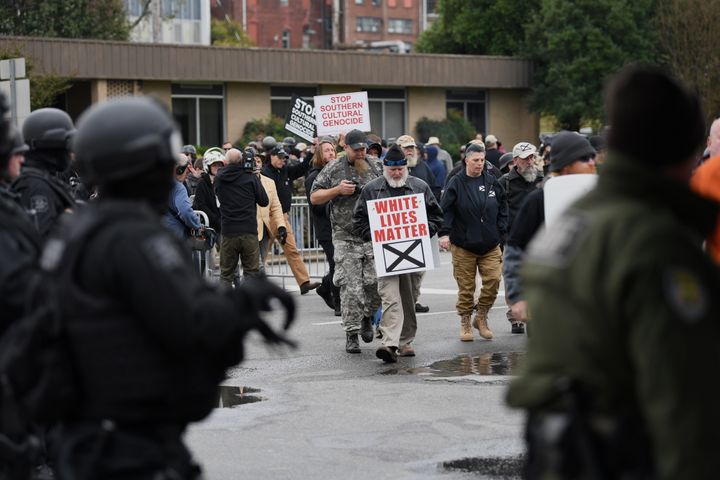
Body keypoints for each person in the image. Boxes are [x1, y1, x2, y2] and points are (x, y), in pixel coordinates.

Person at [49, 97, 295, 479]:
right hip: (131, 442)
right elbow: (197, 326)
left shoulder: (75, 230)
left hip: (82, 436)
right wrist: (244, 303)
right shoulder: (136, 239)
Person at [507, 66, 720, 479]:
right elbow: (680, 397)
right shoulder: (654, 241)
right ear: (681, 151)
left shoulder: (574, 220)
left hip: (556, 448)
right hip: (622, 453)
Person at [352, 145, 443, 362]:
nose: (396, 173)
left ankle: (406, 341)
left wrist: (422, 231)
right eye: (392, 170)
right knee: (390, 296)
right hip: (385, 254)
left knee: (408, 297)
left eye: (400, 169)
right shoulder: (371, 189)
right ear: (385, 168)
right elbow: (358, 221)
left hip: (413, 252)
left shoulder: (420, 187)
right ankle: (389, 343)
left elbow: (437, 217)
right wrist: (375, 235)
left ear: (406, 167)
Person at [503, 132, 597, 328]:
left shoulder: (602, 195)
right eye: (584, 158)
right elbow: (515, 249)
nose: (591, 162)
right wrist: (517, 296)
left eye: (592, 156)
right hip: (550, 296)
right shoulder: (539, 199)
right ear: (566, 165)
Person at [310, 129, 382, 354]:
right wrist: (337, 190)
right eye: (357, 149)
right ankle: (351, 333)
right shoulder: (333, 167)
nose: (361, 152)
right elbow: (314, 197)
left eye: (364, 148)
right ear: (346, 148)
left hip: (371, 234)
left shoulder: (376, 166)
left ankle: (367, 318)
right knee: (351, 288)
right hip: (345, 235)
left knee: (375, 284)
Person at [438, 142, 507, 342]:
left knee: (494, 280)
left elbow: (503, 208)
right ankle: (466, 322)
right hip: (463, 244)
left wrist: (501, 231)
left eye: (482, 160)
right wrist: (444, 234)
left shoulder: (493, 182)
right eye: (475, 160)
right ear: (466, 160)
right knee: (466, 288)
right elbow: (446, 210)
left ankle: (482, 316)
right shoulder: (456, 182)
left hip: (490, 243)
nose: (479, 164)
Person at [262, 143, 320, 294]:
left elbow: (301, 169)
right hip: (267, 217)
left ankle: (304, 282)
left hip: (282, 217)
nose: (283, 161)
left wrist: (311, 152)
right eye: (280, 158)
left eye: (285, 158)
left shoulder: (285, 170)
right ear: (272, 157)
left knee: (292, 250)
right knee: (260, 253)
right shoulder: (264, 172)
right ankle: (252, 283)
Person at [498, 141, 543, 334]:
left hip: (540, 240)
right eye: (526, 158)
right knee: (514, 278)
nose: (530, 161)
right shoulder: (505, 182)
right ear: (515, 160)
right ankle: (515, 315)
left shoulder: (542, 179)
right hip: (514, 239)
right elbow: (498, 211)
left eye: (532, 157)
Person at [12, 107, 75, 241]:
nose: (70, 153)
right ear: (53, 146)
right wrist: (69, 221)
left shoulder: (41, 179)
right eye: (66, 145)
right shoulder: (36, 186)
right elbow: (42, 243)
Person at [215, 148, 268, 286]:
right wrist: (256, 178)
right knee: (251, 273)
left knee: (226, 274)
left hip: (228, 231)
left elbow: (217, 192)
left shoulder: (220, 178)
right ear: (242, 160)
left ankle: (225, 305)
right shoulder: (250, 177)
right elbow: (264, 200)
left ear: (225, 162)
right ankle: (249, 305)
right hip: (248, 230)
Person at [398, 134, 434, 313]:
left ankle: (413, 300)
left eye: (412, 147)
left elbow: (433, 190)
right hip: (398, 228)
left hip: (419, 226)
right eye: (406, 148)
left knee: (418, 269)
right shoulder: (391, 169)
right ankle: (400, 303)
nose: (410, 150)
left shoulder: (423, 167)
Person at [305, 136, 340, 313]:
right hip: (325, 228)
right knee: (335, 263)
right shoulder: (313, 176)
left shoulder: (338, 172)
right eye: (327, 150)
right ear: (319, 154)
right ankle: (338, 302)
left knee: (340, 263)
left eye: (333, 150)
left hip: (340, 226)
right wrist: (335, 196)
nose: (331, 153)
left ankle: (325, 287)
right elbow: (316, 207)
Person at [254, 150, 287, 272]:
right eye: (253, 161)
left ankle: (249, 288)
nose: (256, 164)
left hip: (265, 230)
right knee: (257, 266)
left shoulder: (269, 182)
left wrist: (281, 226)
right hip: (248, 230)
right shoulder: (242, 180)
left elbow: (276, 207)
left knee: (259, 263)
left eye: (258, 161)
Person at [162, 153, 202, 240]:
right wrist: (198, 225)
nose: (187, 175)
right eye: (187, 172)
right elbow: (185, 211)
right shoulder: (179, 188)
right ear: (179, 170)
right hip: (175, 236)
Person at [192, 148, 225, 234]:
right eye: (214, 165)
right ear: (208, 166)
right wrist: (216, 220)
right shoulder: (202, 183)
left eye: (220, 165)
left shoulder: (225, 181)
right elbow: (201, 205)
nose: (218, 168)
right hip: (209, 225)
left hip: (224, 223)